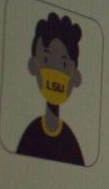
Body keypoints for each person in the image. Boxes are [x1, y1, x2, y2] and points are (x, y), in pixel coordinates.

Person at [16, 12, 85, 165]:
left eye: (64, 64)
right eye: (46, 59)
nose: (55, 72)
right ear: (33, 65)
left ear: (76, 77)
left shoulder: (69, 140)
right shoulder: (32, 134)